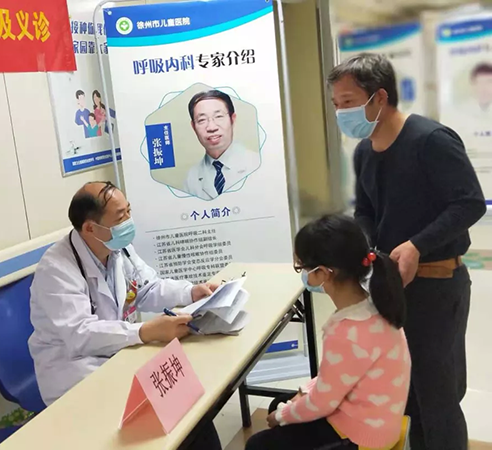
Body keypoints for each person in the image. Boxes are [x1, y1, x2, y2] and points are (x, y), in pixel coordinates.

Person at [328, 53, 486, 450]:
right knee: (406, 394)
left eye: (348, 102)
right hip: (391, 288)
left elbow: (469, 203)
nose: (341, 113)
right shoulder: (365, 151)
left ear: (379, 98)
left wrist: (417, 245)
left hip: (437, 286)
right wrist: (364, 249)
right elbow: (365, 211)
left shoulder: (431, 141)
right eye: (336, 104)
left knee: (439, 397)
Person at [28, 182, 222, 449]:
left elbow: (147, 287)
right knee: (161, 417)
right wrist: (144, 332)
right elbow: (80, 334)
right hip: (76, 371)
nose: (129, 221)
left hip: (119, 355)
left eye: (129, 211)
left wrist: (190, 292)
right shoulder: (56, 270)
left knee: (192, 411)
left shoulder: (118, 249)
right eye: (121, 216)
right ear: (90, 228)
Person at [246, 214, 410, 450]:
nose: (303, 274)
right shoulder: (378, 305)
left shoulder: (346, 333)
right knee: (282, 403)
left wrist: (283, 415)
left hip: (361, 437)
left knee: (258, 444)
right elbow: (338, 376)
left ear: (323, 273)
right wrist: (303, 393)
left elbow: (323, 402)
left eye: (302, 267)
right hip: (377, 422)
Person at [184, 90, 260, 200]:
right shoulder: (191, 178)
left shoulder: (256, 164)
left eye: (219, 116)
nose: (211, 127)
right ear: (193, 126)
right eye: (202, 120)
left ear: (232, 119)